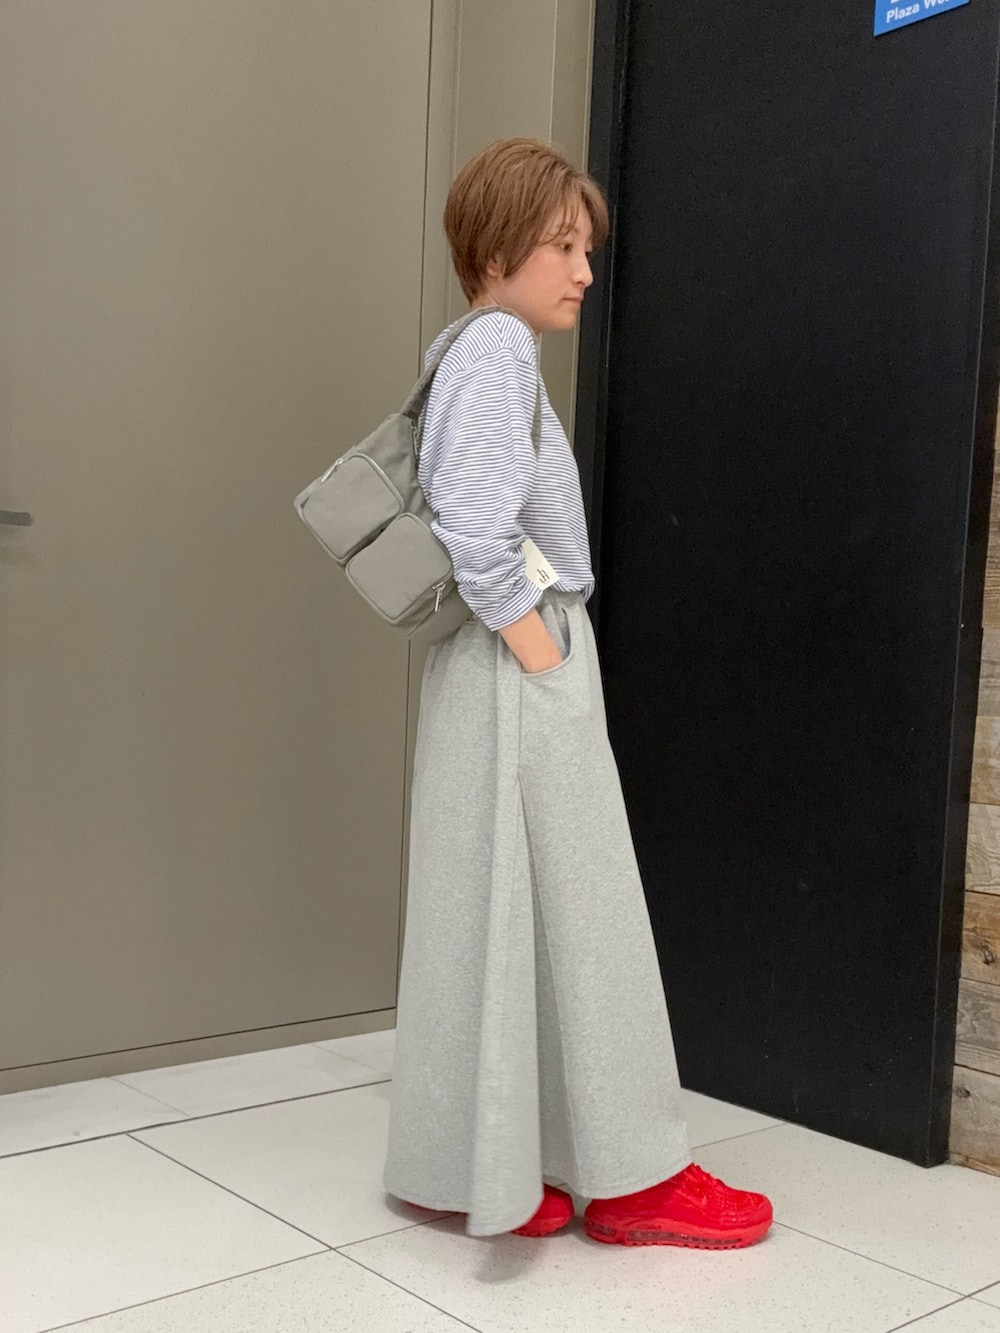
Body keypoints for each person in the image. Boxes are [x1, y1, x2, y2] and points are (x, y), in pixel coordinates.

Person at [383, 137, 773, 1249]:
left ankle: (464, 1163)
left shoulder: (465, 348)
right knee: (590, 911)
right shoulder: (499, 347)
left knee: (487, 907)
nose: (585, 272)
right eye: (562, 246)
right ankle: (637, 1178)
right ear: (495, 251)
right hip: (520, 658)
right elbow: (475, 534)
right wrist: (547, 659)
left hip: (488, 668)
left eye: (585, 249)